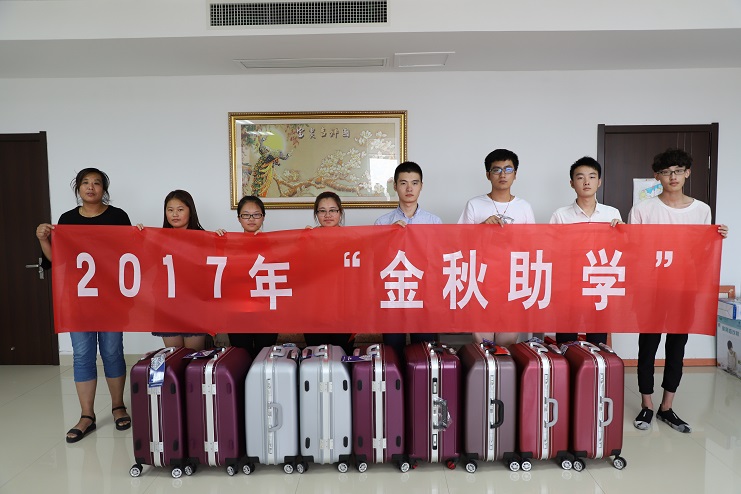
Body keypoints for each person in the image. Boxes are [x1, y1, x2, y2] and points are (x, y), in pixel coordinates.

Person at [630, 148, 728, 433]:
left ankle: (667, 406)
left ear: (687, 173)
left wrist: (717, 237)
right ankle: (647, 404)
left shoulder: (701, 210)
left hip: (684, 288)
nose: (672, 176)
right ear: (656, 176)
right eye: (665, 172)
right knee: (648, 345)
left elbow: (701, 252)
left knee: (677, 347)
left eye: (678, 171)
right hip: (651, 288)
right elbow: (633, 249)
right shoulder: (643, 209)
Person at [36, 168, 132, 443]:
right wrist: (43, 239)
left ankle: (118, 406)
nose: (91, 187)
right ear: (78, 188)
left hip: (112, 298)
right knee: (82, 355)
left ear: (104, 189)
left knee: (112, 352)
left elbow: (132, 254)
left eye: (97, 183)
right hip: (79, 300)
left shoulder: (118, 216)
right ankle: (87, 415)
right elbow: (58, 260)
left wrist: (139, 234)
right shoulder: (67, 220)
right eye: (85, 183)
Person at [458, 149, 535, 347]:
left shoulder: (524, 207)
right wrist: (481, 229)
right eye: (497, 169)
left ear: (515, 174)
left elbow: (532, 246)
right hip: (481, 279)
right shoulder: (474, 205)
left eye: (508, 169)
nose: (503, 174)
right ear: (488, 174)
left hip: (513, 279)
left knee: (507, 341)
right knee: (482, 342)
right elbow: (459, 243)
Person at [550, 157, 623, 346]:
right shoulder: (561, 215)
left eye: (592, 177)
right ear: (572, 183)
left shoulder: (612, 214)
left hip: (600, 282)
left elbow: (621, 250)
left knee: (597, 340)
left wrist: (622, 232)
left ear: (599, 182)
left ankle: (595, 365)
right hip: (569, 283)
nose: (586, 182)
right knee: (566, 340)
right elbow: (551, 250)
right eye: (580, 177)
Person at [375, 161, 440, 358]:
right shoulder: (382, 222)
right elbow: (376, 261)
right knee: (393, 354)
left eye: (414, 183)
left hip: (423, 295)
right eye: (403, 183)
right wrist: (389, 235)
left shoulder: (434, 222)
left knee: (424, 354)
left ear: (421, 186)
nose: (409, 188)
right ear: (395, 186)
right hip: (393, 294)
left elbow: (438, 259)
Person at [149, 190, 209, 351]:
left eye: (180, 209)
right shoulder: (157, 238)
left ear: (190, 211)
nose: (175, 214)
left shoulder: (204, 238)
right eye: (170, 210)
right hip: (167, 304)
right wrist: (138, 235)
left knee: (193, 356)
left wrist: (221, 238)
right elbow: (143, 261)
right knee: (173, 356)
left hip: (194, 304)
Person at [228, 195, 278, 358]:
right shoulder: (228, 244)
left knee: (265, 358)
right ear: (239, 218)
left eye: (256, 214)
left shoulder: (276, 243)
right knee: (241, 358)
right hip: (237, 311)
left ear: (263, 217)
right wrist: (216, 239)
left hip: (266, 312)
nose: (251, 219)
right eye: (246, 215)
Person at [303, 191, 352, 353]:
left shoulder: (353, 239)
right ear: (316, 214)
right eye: (322, 211)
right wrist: (302, 240)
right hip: (314, 310)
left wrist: (394, 231)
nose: (328, 215)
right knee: (315, 357)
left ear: (340, 212)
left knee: (341, 356)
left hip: (343, 309)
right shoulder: (307, 238)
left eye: (333, 210)